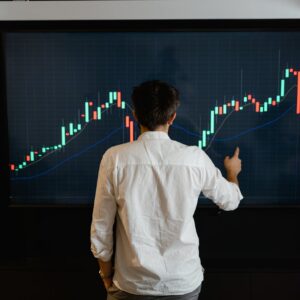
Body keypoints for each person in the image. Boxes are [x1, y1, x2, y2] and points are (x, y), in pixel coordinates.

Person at [90, 80, 243, 300]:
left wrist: (105, 276)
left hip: (131, 285)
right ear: (172, 117)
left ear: (135, 115)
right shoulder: (195, 158)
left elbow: (101, 228)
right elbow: (230, 201)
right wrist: (232, 173)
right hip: (183, 284)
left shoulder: (114, 158)